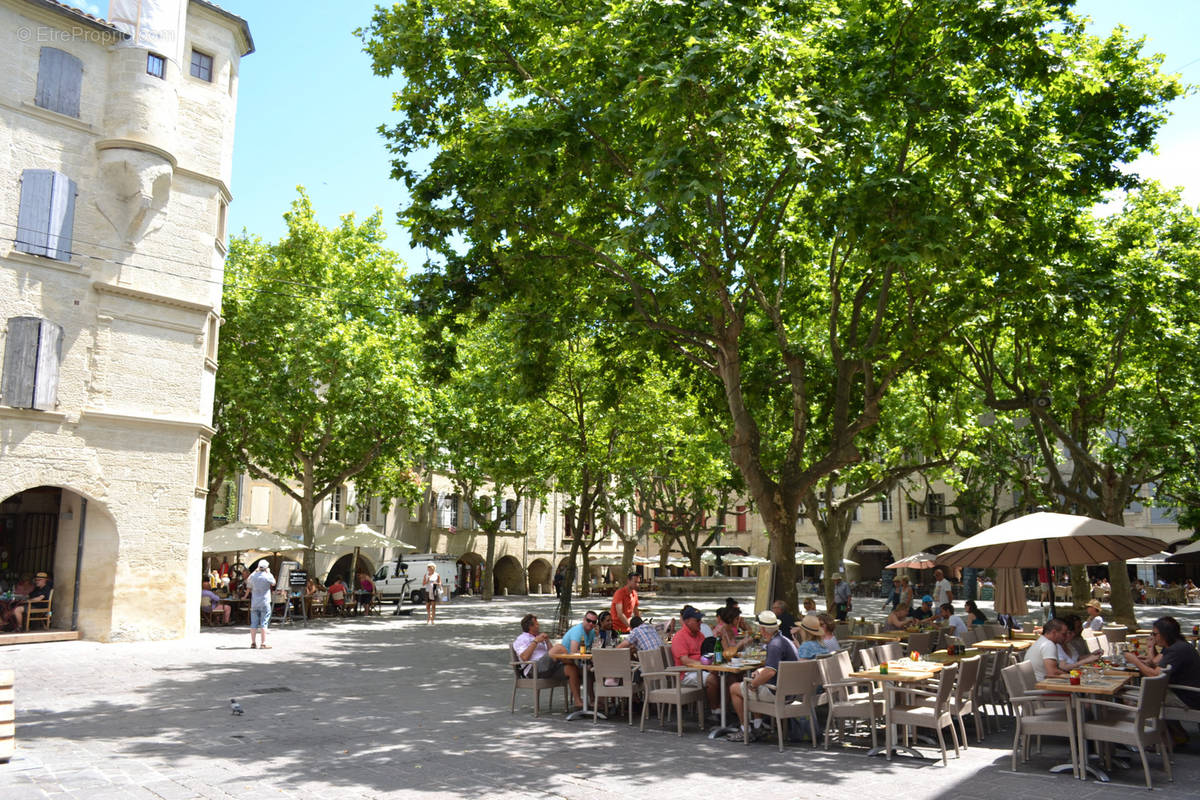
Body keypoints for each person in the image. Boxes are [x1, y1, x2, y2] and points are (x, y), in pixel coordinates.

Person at [1124, 616, 1200, 741]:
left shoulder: (1176, 650)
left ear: (1165, 634)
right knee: (1149, 694)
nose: (1153, 637)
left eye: (1155, 634)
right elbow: (1159, 666)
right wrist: (1146, 660)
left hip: (1189, 697)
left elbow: (1154, 675)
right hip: (1188, 693)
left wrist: (1135, 661)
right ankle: (1176, 734)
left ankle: (1149, 739)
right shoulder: (1179, 645)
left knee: (1133, 698)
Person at [727, 610, 799, 741]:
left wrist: (754, 685)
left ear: (763, 630)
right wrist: (760, 672)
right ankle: (757, 726)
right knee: (756, 681)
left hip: (777, 693)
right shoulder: (785, 641)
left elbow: (770, 672)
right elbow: (772, 669)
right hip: (791, 692)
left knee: (734, 688)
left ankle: (745, 730)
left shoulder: (774, 645)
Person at [670, 606, 721, 713]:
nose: (700, 623)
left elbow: (706, 653)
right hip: (687, 673)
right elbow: (685, 661)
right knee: (713, 679)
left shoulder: (700, 635)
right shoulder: (680, 637)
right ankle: (715, 711)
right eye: (697, 620)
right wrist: (706, 666)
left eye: (700, 620)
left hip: (701, 669)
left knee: (729, 677)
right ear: (687, 621)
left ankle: (723, 708)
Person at [549, 611, 600, 710]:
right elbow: (573, 652)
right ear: (584, 620)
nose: (591, 624)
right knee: (579, 670)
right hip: (564, 662)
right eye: (589, 621)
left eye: (594, 622)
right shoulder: (578, 631)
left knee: (594, 671)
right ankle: (578, 701)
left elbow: (596, 647)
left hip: (579, 662)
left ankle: (595, 700)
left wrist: (597, 636)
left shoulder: (593, 632)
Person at [512, 614, 566, 679]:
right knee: (559, 648)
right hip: (533, 669)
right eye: (537, 624)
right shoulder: (521, 639)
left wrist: (547, 641)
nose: (538, 626)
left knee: (571, 670)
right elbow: (524, 657)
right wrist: (535, 642)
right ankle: (572, 661)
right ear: (530, 627)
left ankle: (573, 664)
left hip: (548, 668)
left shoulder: (539, 637)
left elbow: (551, 653)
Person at [247, 560, 276, 649]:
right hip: (265, 601)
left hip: (255, 602)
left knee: (254, 623)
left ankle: (253, 643)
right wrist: (269, 573)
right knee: (264, 623)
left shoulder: (253, 576)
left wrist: (255, 571)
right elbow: (274, 582)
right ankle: (263, 643)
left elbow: (248, 580)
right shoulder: (267, 576)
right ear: (266, 567)